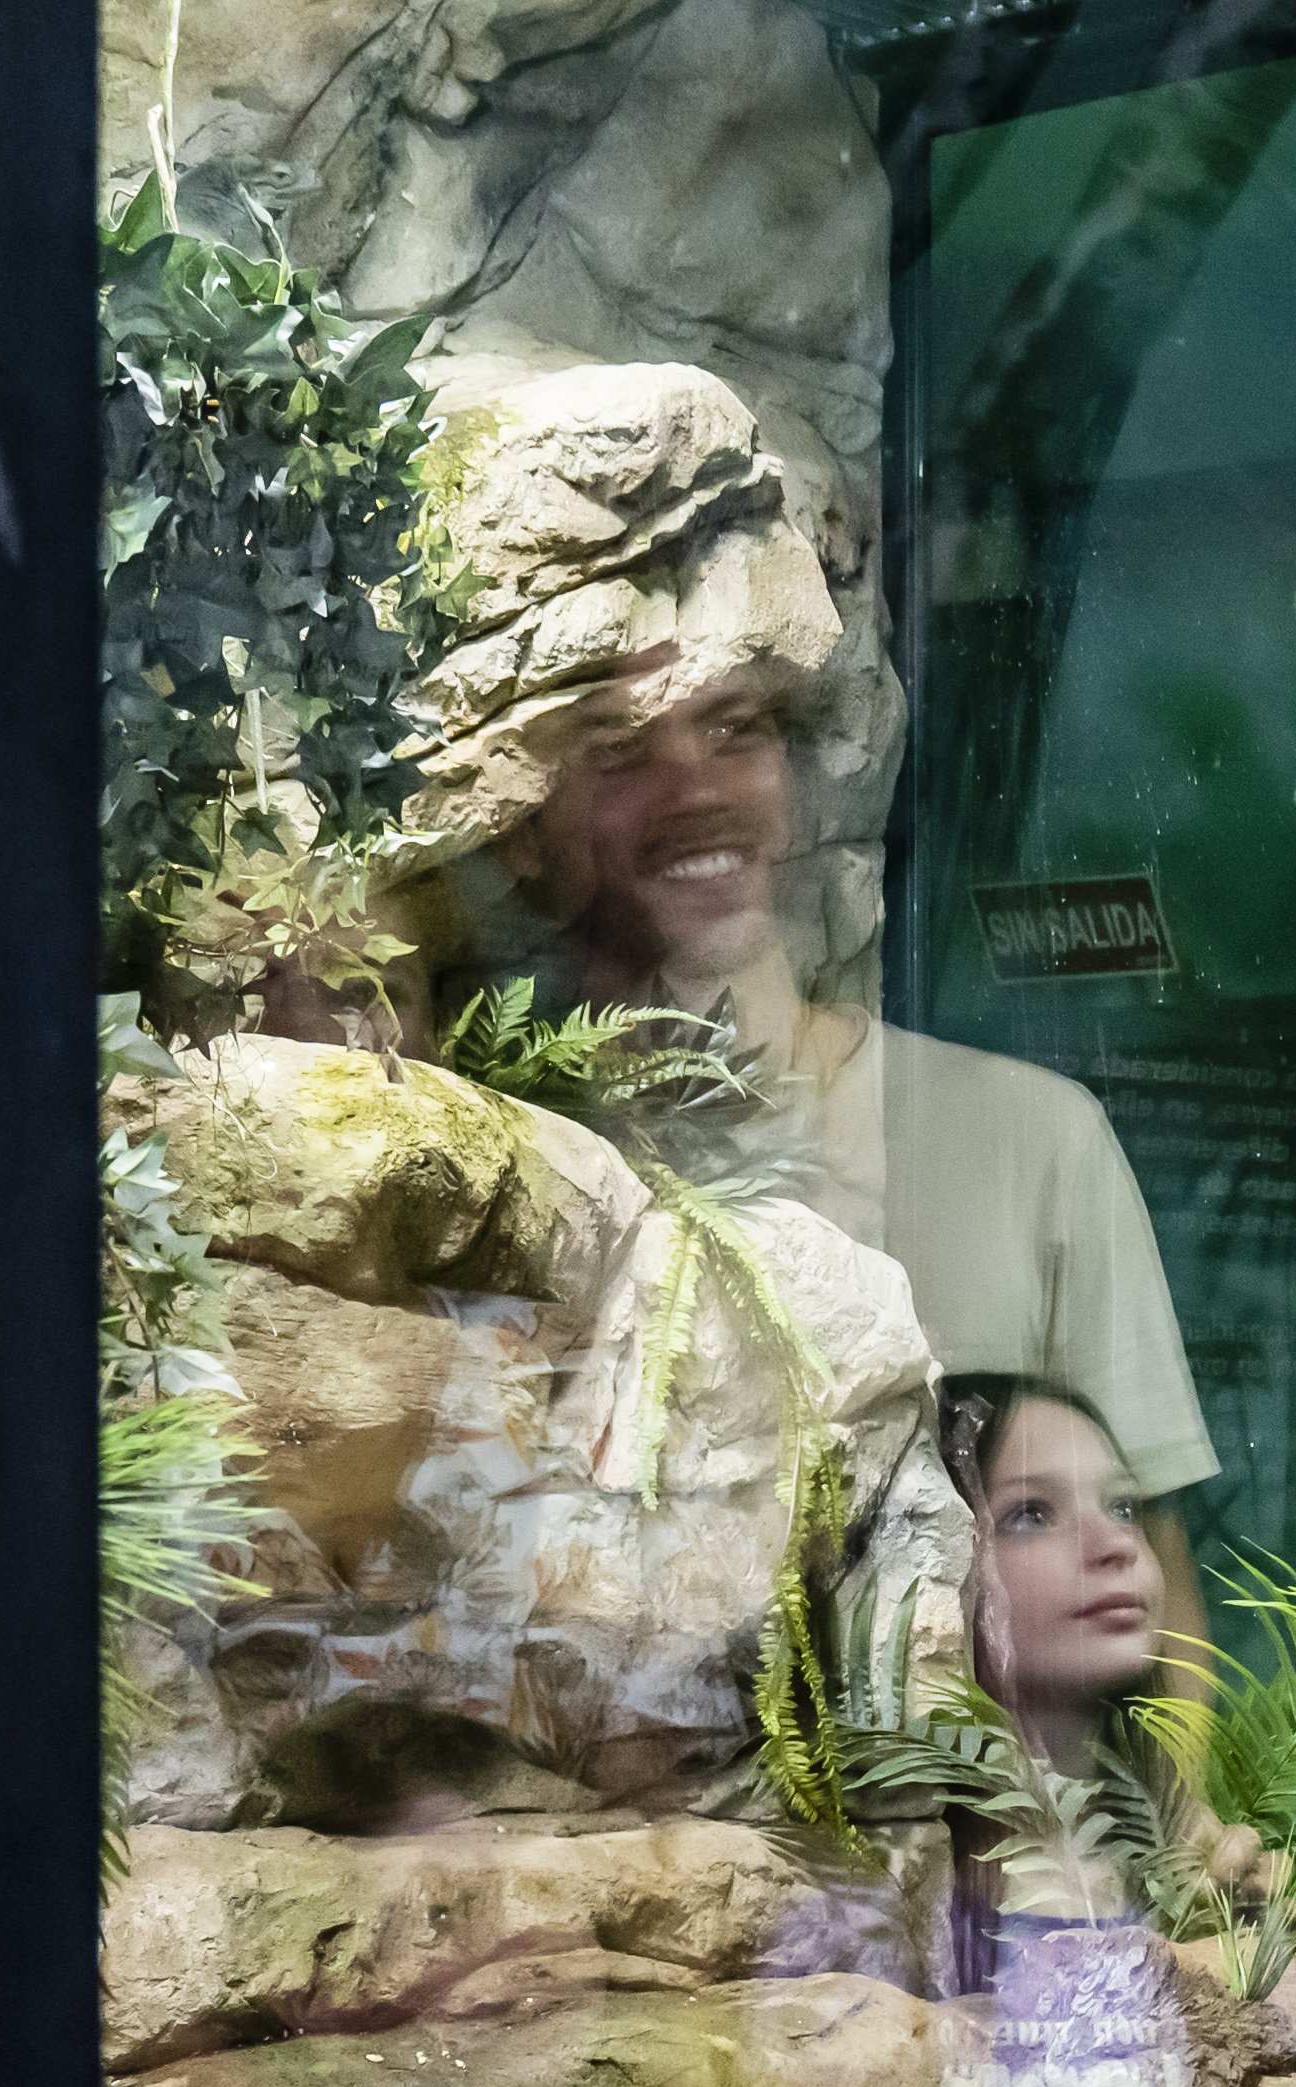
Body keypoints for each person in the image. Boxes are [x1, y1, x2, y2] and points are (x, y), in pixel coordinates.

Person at [513, 654, 1224, 1535]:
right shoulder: (499, 1155)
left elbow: (1154, 1593)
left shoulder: (1034, 1139)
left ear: (801, 791)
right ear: (523, 825)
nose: (695, 791)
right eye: (617, 745)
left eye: (736, 729)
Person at [914, 1375, 1296, 2087]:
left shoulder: (1147, 1793)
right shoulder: (933, 1829)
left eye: (1124, 1505)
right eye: (1034, 1513)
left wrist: (1235, 1881)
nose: (1111, 1544)